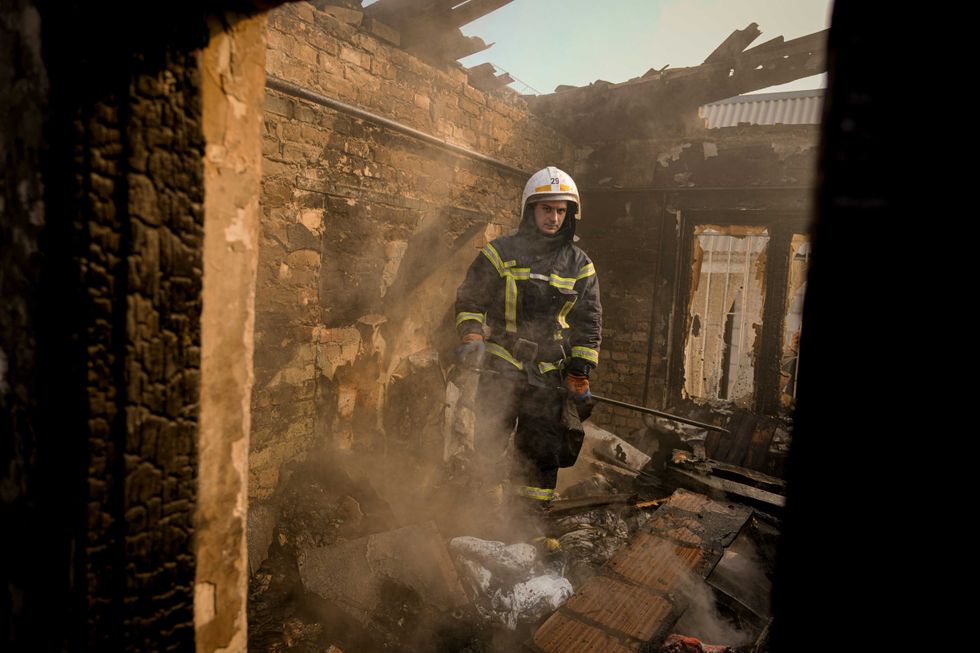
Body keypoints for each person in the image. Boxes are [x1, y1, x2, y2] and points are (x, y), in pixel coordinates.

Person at [454, 166, 602, 514]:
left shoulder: (580, 265)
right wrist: (472, 333)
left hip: (549, 376)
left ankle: (530, 525)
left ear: (569, 216)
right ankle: (484, 517)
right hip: (500, 366)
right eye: (546, 209)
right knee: (488, 443)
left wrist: (579, 371)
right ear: (530, 210)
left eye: (560, 211)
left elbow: (589, 320)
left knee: (540, 454)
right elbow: (470, 297)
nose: (553, 217)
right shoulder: (499, 252)